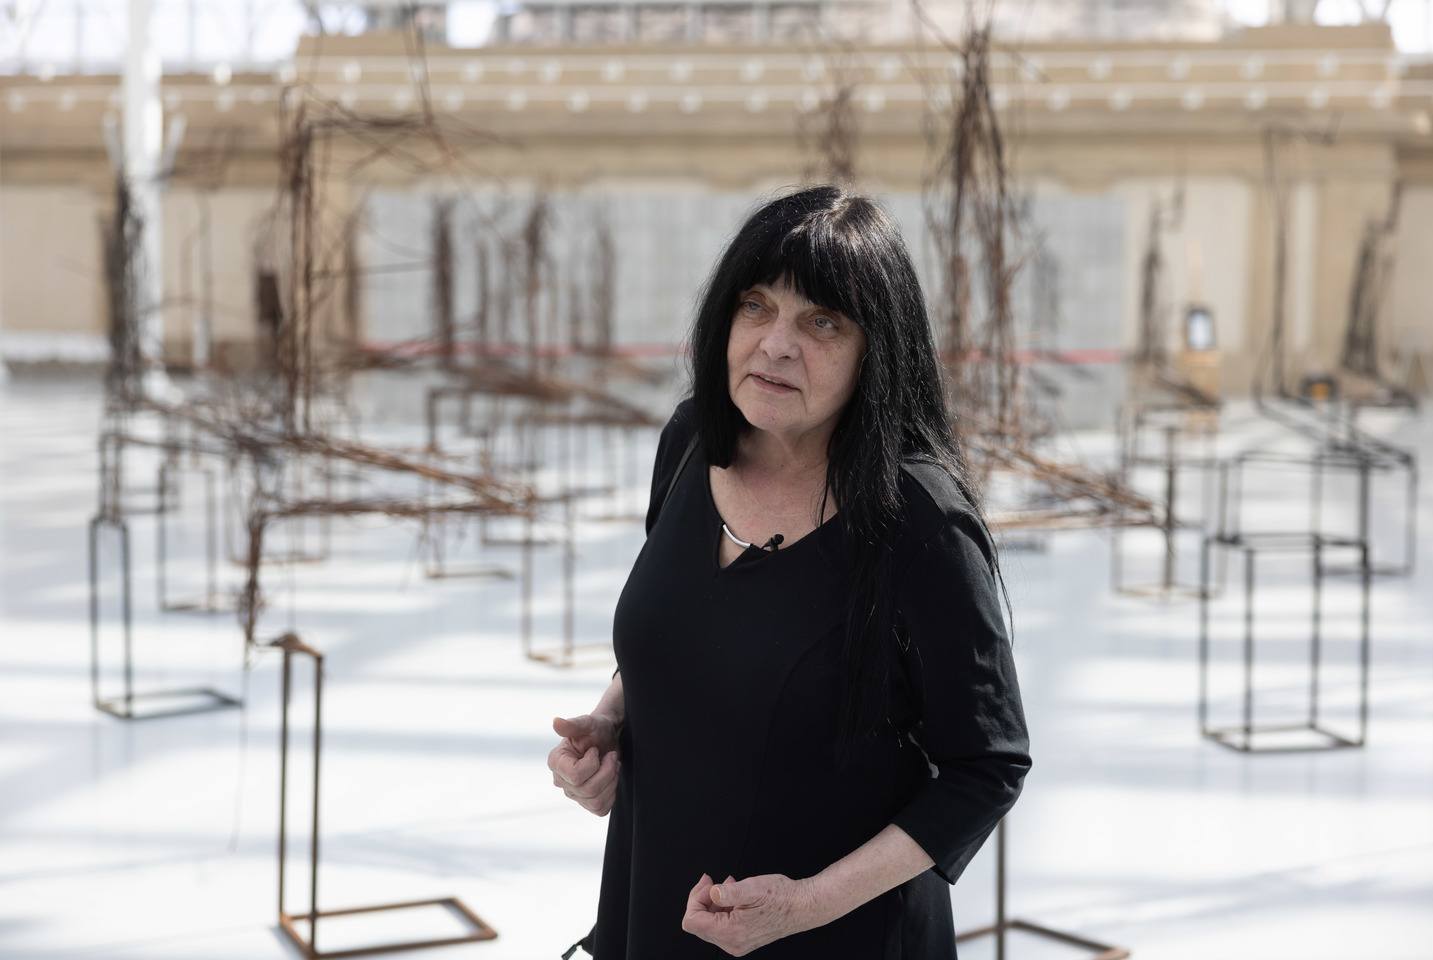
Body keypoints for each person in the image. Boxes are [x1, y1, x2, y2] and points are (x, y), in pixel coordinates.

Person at [549, 184, 1032, 958]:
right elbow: (689, 624)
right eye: (756, 306)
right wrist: (613, 718)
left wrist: (807, 905)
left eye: (822, 322)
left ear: (876, 352)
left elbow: (986, 765)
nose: (775, 344)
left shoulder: (919, 518)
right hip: (657, 899)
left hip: (834, 934)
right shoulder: (691, 442)